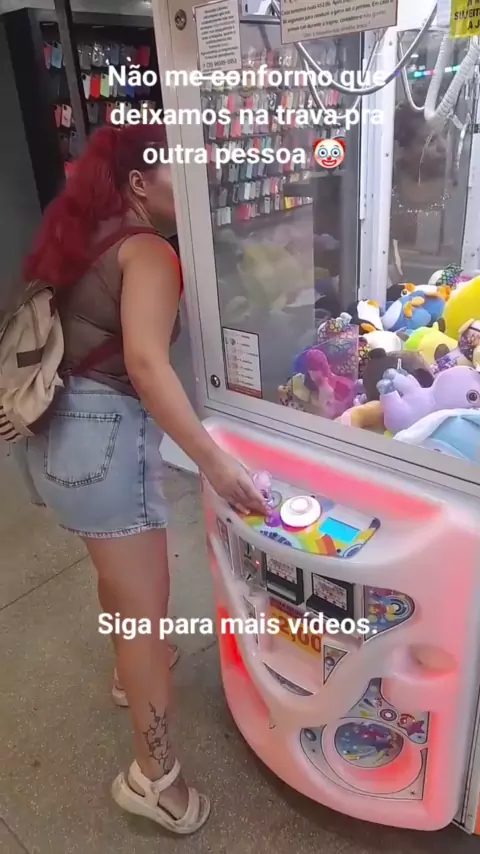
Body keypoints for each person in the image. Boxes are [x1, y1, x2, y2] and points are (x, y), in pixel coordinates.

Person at [20, 123, 266, 834]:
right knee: (144, 615)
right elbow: (148, 365)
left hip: (56, 444)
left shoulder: (83, 237)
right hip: (104, 447)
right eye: (178, 173)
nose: (194, 187)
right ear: (137, 182)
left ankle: (129, 673)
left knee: (120, 585)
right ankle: (154, 780)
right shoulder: (150, 251)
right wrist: (214, 461)